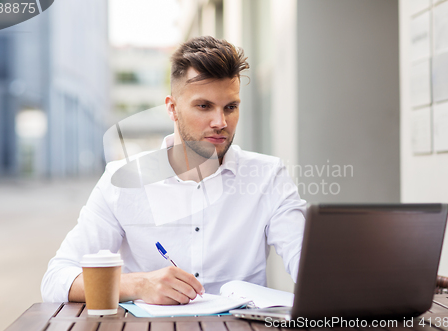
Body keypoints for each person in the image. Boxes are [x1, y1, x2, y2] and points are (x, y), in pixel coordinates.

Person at [41, 36, 306, 305]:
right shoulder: (122, 180)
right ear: (172, 108)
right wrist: (139, 284)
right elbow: (56, 280)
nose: (220, 122)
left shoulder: (268, 176)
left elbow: (309, 264)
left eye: (230, 107)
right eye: (204, 106)